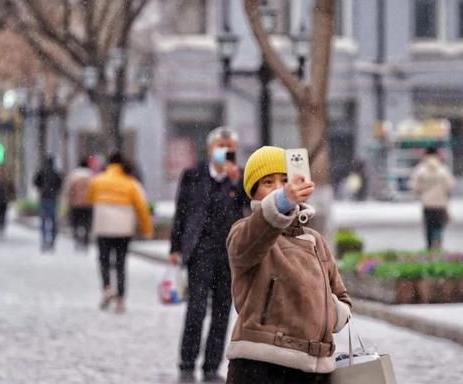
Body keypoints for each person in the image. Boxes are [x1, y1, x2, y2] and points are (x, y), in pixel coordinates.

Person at [225, 146, 352, 384]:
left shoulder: (316, 240)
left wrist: (324, 309)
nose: (278, 188)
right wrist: (281, 202)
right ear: (254, 192)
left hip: (315, 368)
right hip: (262, 365)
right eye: (268, 183)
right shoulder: (245, 230)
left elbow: (342, 298)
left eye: (285, 180)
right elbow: (248, 244)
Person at [170, 127, 249, 383]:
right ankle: (186, 362)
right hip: (200, 251)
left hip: (228, 253)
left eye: (230, 146)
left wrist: (238, 181)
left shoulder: (240, 178)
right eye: (221, 144)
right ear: (210, 147)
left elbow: (249, 207)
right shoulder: (193, 175)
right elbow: (181, 212)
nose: (225, 150)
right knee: (196, 308)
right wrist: (175, 247)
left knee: (222, 311)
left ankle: (211, 367)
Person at [87, 152, 153, 314]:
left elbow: (90, 199)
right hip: (123, 228)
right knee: (120, 263)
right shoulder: (131, 183)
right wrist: (147, 229)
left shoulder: (97, 181)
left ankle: (107, 287)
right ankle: (121, 299)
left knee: (103, 259)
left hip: (103, 226)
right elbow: (142, 208)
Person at [409, 146, 456, 250]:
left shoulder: (420, 170)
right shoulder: (443, 169)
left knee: (429, 228)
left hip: (427, 204)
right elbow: (450, 185)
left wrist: (422, 193)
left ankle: (429, 248)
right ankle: (438, 245)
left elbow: (415, 186)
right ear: (437, 155)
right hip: (441, 204)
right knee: (439, 227)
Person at [33, 156, 63, 252]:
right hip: (53, 198)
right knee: (53, 220)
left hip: (44, 198)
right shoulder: (56, 173)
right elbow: (60, 184)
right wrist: (55, 191)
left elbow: (35, 182)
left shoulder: (41, 172)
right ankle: (52, 241)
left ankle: (44, 240)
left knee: (43, 221)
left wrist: (41, 189)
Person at [63, 158, 94, 250]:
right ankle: (86, 240)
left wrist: (69, 199)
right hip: (88, 203)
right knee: (87, 223)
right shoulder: (91, 176)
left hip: (76, 204)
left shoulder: (74, 176)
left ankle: (77, 239)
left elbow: (69, 190)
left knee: (75, 223)